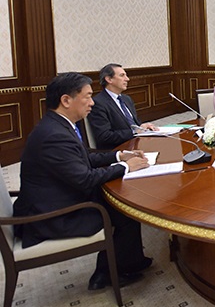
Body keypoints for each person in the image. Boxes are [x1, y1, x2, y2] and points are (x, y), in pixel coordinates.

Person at [13, 72, 153, 290]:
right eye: (87, 97)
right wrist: (125, 167)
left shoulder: (58, 124)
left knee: (123, 204)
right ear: (66, 100)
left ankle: (129, 262)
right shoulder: (53, 135)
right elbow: (85, 180)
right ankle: (106, 274)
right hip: (50, 215)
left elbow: (84, 157)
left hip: (58, 197)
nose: (93, 102)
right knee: (123, 210)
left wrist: (119, 156)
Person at [89, 63, 159, 150]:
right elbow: (104, 136)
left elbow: (133, 124)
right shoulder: (98, 103)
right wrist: (134, 132)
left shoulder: (126, 99)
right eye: (122, 75)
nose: (127, 79)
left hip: (137, 142)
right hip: (119, 149)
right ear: (109, 79)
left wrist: (143, 126)